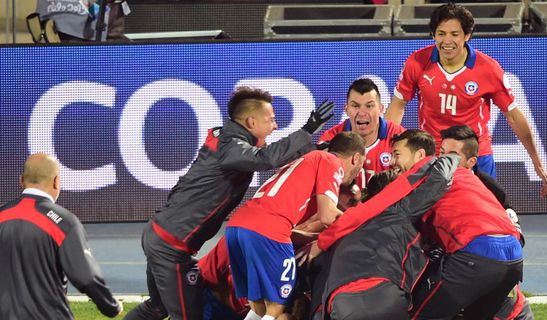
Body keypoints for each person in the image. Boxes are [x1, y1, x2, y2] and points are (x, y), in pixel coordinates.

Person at [124, 87, 336, 320]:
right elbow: (266, 159)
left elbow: (272, 155)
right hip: (171, 247)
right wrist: (307, 130)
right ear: (251, 121)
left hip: (162, 235)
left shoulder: (231, 140)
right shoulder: (231, 146)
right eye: (271, 120)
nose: (275, 126)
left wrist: (312, 150)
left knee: (157, 307)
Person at [385, 2, 547, 197]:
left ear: (467, 35)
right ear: (433, 35)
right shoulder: (416, 62)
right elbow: (398, 105)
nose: (447, 41)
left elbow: (514, 116)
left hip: (475, 155)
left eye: (454, 34)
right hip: (433, 154)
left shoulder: (488, 68)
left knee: (485, 214)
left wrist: (536, 161)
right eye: (441, 33)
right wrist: (389, 149)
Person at [303, 130, 458, 320]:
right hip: (383, 295)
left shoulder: (342, 230)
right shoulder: (396, 210)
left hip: (341, 304)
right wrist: (450, 159)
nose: (392, 161)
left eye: (396, 154)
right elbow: (439, 180)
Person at [225, 132, 366, 320]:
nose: (356, 174)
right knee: (277, 305)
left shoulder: (306, 160)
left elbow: (290, 233)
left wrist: (317, 238)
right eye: (360, 166)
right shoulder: (331, 162)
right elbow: (328, 216)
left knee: (258, 305)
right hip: (268, 228)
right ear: (356, 158)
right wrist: (360, 222)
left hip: (238, 226)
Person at [0, 153, 123, 319]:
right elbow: (87, 278)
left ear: (21, 180)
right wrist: (111, 306)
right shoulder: (64, 223)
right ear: (56, 181)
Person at [439, 125, 533, 320]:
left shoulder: (491, 188)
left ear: (471, 161)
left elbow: (516, 233)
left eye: (452, 155)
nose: (444, 160)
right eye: (441, 153)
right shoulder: (434, 184)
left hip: (486, 273)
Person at [319, 78, 405, 190]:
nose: (362, 113)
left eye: (369, 106)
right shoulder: (330, 140)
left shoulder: (401, 138)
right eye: (355, 106)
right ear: (346, 109)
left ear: (380, 109)